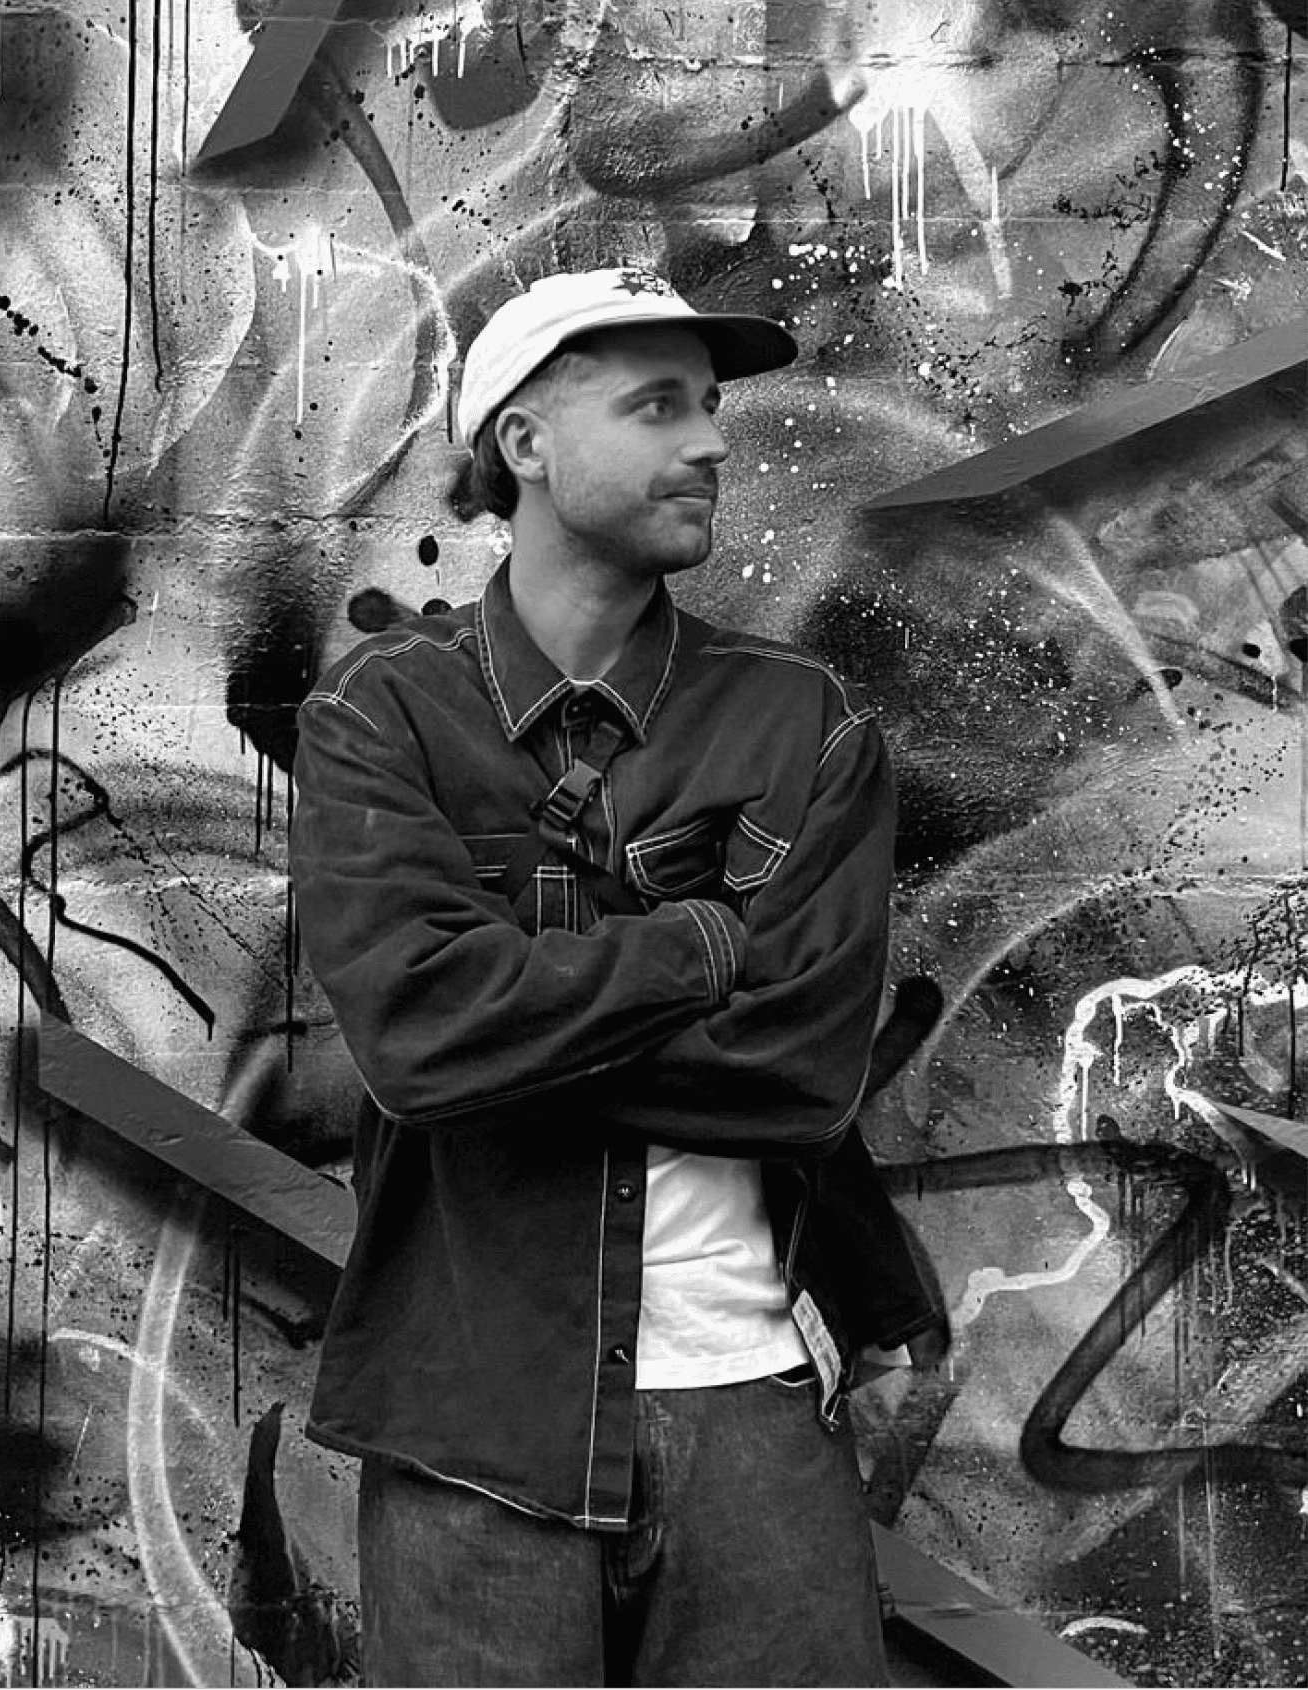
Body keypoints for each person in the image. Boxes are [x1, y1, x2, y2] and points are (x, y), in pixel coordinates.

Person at [290, 267, 943, 1687]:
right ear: (523, 445)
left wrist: (515, 1001)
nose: (709, 440)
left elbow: (801, 1066)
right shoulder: (381, 715)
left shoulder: (800, 724)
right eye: (656, 406)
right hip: (477, 1429)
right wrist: (703, 943)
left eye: (709, 406)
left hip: (762, 1422)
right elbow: (417, 1041)